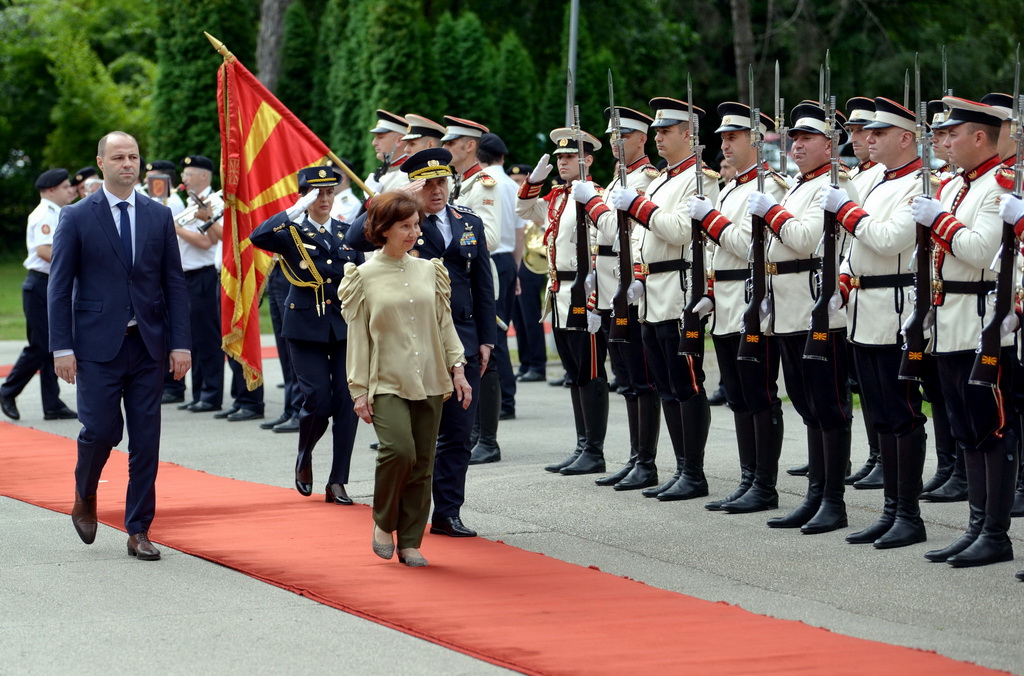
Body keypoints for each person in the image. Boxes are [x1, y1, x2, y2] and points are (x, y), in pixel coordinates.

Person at [49, 130, 191, 561]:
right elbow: (59, 287)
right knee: (101, 431)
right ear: (101, 162)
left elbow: (174, 283)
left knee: (146, 440)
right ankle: (85, 492)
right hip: (96, 347)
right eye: (118, 157)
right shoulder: (76, 216)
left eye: (133, 157)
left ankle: (139, 529)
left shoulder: (158, 215)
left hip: (147, 345)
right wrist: (61, 348)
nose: (128, 164)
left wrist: (181, 344)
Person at [344, 148, 494, 537]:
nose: (437, 190)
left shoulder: (468, 222)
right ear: (414, 187)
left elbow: (482, 282)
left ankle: (448, 512)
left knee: (458, 434)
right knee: (407, 443)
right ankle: (398, 515)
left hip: (461, 337)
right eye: (428, 185)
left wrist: (487, 339)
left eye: (442, 182)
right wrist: (396, 196)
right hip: (407, 345)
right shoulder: (401, 220)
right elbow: (354, 237)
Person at [912, 96, 1017, 568]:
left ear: (979, 136)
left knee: (991, 429)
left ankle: (994, 534)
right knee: (966, 431)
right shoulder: (957, 185)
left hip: (980, 322)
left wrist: (937, 220)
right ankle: (976, 527)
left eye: (953, 134)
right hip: (949, 319)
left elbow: (978, 251)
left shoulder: (999, 188)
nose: (945, 142)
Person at [340, 191, 472, 567]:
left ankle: (411, 541)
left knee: (423, 463)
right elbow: (358, 337)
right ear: (384, 230)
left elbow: (444, 324)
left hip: (430, 376)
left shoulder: (431, 270)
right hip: (385, 379)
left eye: (416, 225)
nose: (414, 233)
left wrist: (458, 368)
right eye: (405, 226)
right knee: (399, 450)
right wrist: (359, 390)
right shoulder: (362, 276)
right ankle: (384, 522)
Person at [820, 97, 929, 548]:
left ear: (905, 138)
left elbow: (886, 239)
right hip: (864, 310)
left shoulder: (921, 185)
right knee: (880, 415)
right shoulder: (878, 182)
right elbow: (854, 249)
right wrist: (843, 283)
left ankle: (909, 515)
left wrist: (846, 210)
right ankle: (890, 510)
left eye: (879, 133)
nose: (868, 139)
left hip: (893, 309)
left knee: (902, 415)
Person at [747, 102, 857, 534]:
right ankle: (815, 495)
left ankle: (833, 501)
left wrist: (770, 212)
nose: (797, 145)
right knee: (808, 407)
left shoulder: (834, 184)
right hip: (789, 309)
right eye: (794, 138)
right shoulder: (800, 185)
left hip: (817, 309)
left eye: (807, 138)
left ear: (830, 144)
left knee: (829, 407)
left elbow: (804, 238)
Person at [608, 97, 721, 500]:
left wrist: (638, 206)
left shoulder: (700, 179)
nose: (658, 137)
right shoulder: (661, 180)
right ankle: (681, 467)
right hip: (653, 290)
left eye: (666, 131)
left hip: (679, 289)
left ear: (689, 135)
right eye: (656, 131)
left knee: (686, 382)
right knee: (666, 385)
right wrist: (638, 276)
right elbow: (643, 239)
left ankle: (694, 472)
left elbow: (679, 230)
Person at [687, 101, 789, 513]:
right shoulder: (731, 188)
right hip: (726, 302)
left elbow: (748, 246)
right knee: (738, 396)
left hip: (751, 300)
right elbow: (718, 254)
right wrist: (709, 291)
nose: (725, 145)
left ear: (756, 140)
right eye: (723, 138)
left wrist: (710, 220)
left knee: (759, 394)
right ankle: (749, 478)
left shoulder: (769, 187)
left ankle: (764, 484)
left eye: (733, 138)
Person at [250, 166, 364, 504]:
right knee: (317, 400)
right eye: (317, 194)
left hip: (343, 327)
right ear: (304, 196)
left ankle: (338, 480)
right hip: (304, 328)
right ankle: (305, 453)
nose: (325, 199)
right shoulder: (290, 232)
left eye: (329, 192)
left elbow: (360, 276)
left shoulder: (345, 232)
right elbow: (258, 236)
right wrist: (295, 210)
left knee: (346, 403)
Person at [572, 105, 661, 490]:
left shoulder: (645, 180)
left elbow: (614, 230)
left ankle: (646, 461)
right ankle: (635, 457)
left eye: (623, 135)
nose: (615, 142)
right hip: (610, 292)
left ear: (642, 138)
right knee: (625, 380)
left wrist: (592, 203)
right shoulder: (615, 181)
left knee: (641, 380)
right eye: (612, 135)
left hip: (631, 292)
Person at [518, 127, 609, 476]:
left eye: (570, 156)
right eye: (560, 157)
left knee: (590, 371)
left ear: (588, 160)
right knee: (574, 372)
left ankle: (594, 450)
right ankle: (582, 445)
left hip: (584, 291)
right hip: (559, 292)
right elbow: (524, 209)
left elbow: (605, 244)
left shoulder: (594, 196)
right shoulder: (557, 197)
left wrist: (598, 297)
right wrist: (534, 181)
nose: (563, 162)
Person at [0, 168, 78, 422]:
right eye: (65, 187)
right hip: (40, 285)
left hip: (47, 283)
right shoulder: (45, 213)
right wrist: (75, 264)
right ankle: (7, 390)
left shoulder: (55, 212)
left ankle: (52, 404)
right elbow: (44, 250)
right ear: (50, 190)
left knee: (49, 346)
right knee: (40, 346)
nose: (70, 190)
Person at [842, 96, 887, 490]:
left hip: (884, 294)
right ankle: (875, 455)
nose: (857, 138)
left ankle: (886, 459)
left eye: (863, 131)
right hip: (855, 289)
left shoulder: (880, 176)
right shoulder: (857, 175)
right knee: (865, 386)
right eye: (853, 131)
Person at [469, 132, 521, 464]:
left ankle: (495, 415)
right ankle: (505, 402)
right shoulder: (511, 185)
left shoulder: (485, 183)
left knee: (490, 339)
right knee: (496, 337)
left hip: (490, 262)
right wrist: (516, 270)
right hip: (505, 262)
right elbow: (518, 231)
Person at [164, 155, 225, 414]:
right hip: (187, 276)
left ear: (204, 176)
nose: (184, 179)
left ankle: (211, 394)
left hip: (204, 274)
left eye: (189, 174)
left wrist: (174, 228)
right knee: (195, 340)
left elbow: (207, 242)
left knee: (207, 339)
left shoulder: (213, 202)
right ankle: (199, 392)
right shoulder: (191, 202)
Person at [509, 163, 549, 383]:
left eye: (520, 181)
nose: (516, 186)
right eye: (513, 182)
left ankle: (537, 365)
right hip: (516, 264)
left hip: (532, 265)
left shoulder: (535, 204)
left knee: (531, 316)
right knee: (518, 317)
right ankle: (525, 363)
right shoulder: (509, 205)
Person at [365, 109, 409, 195]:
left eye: (380, 137)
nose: (374, 143)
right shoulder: (387, 172)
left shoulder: (408, 175)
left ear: (399, 140)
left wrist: (373, 197)